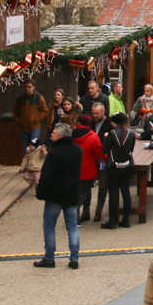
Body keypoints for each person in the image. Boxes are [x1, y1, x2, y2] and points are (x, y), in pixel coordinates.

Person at [34, 123, 82, 269]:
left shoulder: (54, 154)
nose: (51, 135)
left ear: (60, 136)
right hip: (72, 194)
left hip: (55, 196)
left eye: (54, 133)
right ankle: (74, 258)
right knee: (72, 226)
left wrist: (40, 193)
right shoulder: (78, 150)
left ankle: (49, 257)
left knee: (49, 226)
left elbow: (47, 176)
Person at [101, 113, 135, 229]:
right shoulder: (131, 133)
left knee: (113, 194)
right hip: (127, 165)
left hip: (113, 166)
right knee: (126, 192)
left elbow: (105, 150)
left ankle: (112, 221)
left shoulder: (112, 133)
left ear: (116, 122)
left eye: (112, 121)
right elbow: (132, 149)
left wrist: (105, 138)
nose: (110, 123)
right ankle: (126, 220)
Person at [71, 114, 104, 224]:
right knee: (86, 190)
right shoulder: (93, 136)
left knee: (78, 190)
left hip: (73, 168)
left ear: (78, 123)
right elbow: (99, 152)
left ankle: (85, 212)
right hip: (88, 168)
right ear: (89, 124)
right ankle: (78, 209)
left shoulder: (70, 136)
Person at [88, 103, 112, 222]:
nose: (94, 115)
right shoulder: (90, 122)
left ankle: (99, 210)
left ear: (103, 112)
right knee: (87, 184)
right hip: (91, 157)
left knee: (102, 185)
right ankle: (85, 212)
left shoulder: (110, 124)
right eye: (93, 113)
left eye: (97, 113)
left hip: (103, 157)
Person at [14, 79, 48, 149]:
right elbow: (15, 111)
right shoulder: (20, 98)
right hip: (23, 127)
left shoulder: (39, 98)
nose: (27, 88)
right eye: (26, 87)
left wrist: (36, 119)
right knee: (25, 147)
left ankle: (34, 160)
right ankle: (26, 160)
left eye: (29, 87)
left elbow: (45, 111)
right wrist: (18, 120)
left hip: (34, 127)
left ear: (33, 87)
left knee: (34, 146)